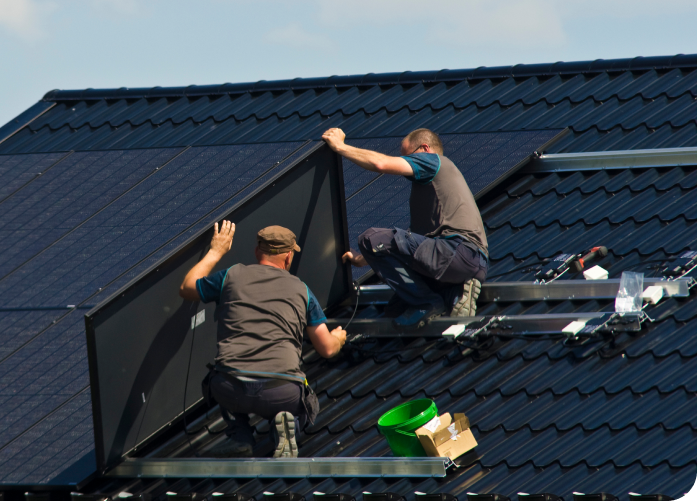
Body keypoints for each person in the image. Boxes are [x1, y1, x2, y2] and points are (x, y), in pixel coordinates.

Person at [179, 221, 347, 458]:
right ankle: (287, 426)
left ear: (258, 252)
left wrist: (215, 251)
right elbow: (327, 349)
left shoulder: (231, 275)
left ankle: (240, 436)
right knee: (305, 400)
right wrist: (339, 338)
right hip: (281, 392)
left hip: (230, 388)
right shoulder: (302, 290)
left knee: (217, 375)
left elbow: (187, 287)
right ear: (288, 257)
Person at [321, 127, 488, 328]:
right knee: (396, 310)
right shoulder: (434, 192)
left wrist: (340, 146)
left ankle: (429, 302)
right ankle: (456, 290)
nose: (406, 162)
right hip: (463, 261)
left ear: (425, 148)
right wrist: (364, 258)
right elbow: (407, 245)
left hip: (457, 252)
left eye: (408, 156)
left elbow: (380, 163)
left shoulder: (434, 161)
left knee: (370, 238)